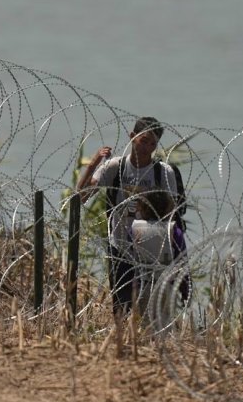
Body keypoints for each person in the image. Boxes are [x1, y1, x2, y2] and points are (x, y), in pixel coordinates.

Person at [76, 116, 179, 317]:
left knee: (152, 311)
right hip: (120, 246)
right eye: (143, 141)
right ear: (132, 137)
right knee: (121, 309)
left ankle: (145, 346)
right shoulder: (115, 167)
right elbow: (80, 196)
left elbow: (171, 210)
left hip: (151, 249)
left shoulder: (163, 172)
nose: (147, 148)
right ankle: (122, 344)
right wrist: (94, 162)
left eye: (152, 144)